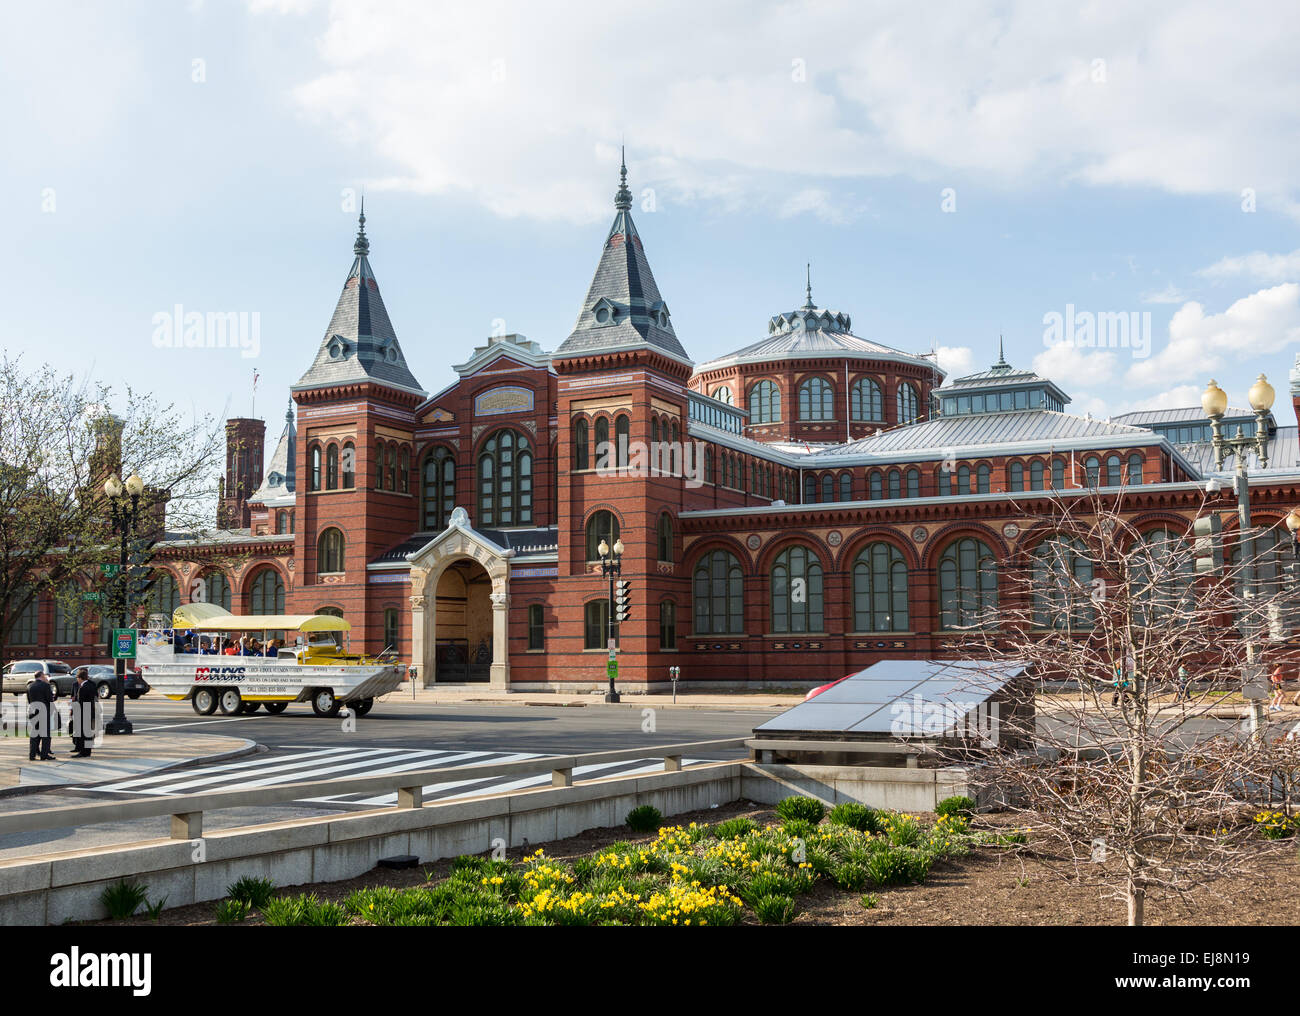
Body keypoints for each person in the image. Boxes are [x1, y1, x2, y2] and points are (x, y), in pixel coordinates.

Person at [26, 668, 56, 762]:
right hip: (43, 712)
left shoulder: (30, 686)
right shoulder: (46, 686)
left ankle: (32, 755)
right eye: (44, 676)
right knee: (45, 735)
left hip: (34, 712)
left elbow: (29, 701)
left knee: (34, 735)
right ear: (42, 676)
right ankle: (44, 755)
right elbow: (50, 699)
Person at [70, 668, 98, 758]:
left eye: (77, 678)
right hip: (90, 711)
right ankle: (87, 752)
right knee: (88, 733)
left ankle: (82, 752)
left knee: (83, 734)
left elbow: (80, 702)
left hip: (83, 712)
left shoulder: (83, 688)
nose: (77, 679)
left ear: (80, 678)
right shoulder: (91, 686)